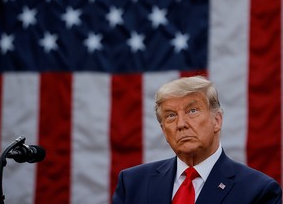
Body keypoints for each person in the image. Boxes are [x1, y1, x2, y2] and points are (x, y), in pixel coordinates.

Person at [112, 75, 282, 204]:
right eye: (170, 116)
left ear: (217, 120)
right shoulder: (132, 184)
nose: (181, 124)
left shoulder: (258, 191)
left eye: (192, 111)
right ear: (164, 130)